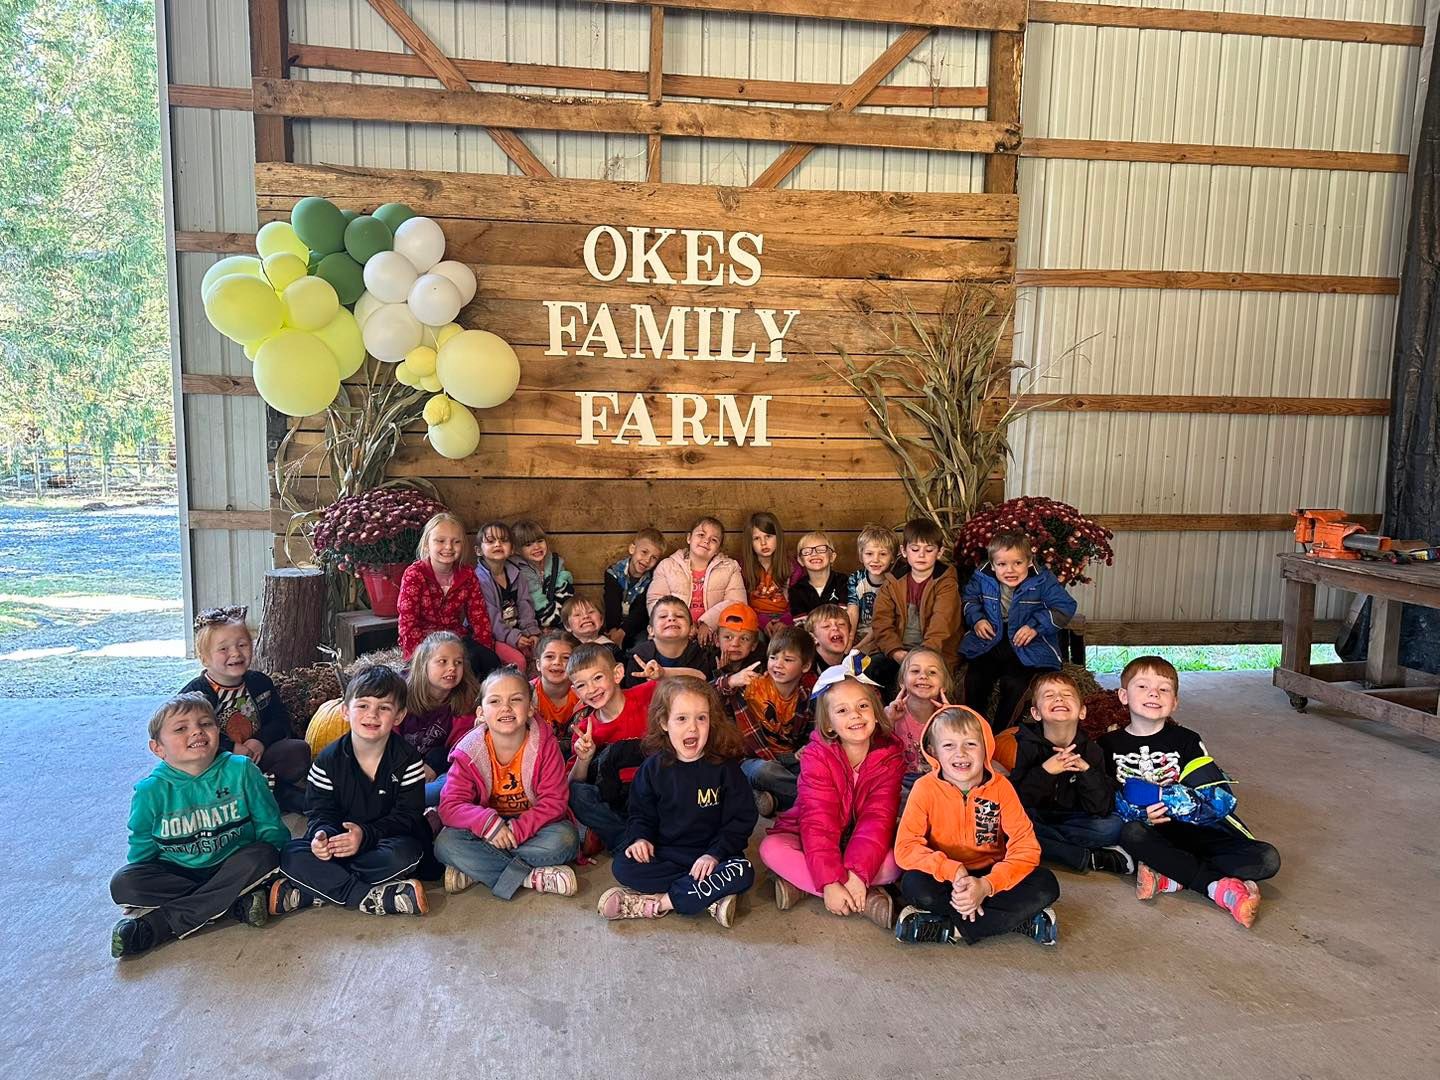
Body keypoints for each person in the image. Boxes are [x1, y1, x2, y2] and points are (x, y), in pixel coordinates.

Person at [1100, 656, 1281, 928]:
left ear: (1175, 702)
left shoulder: (1187, 740)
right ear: (1123, 696)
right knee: (1130, 834)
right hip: (1148, 831)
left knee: (1267, 859)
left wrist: (1162, 798)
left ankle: (1171, 874)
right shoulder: (1106, 745)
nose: (1154, 693)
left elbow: (1220, 800)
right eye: (1143, 687)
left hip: (1193, 829)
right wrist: (1140, 811)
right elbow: (1103, 799)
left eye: (1164, 689)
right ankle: (1213, 887)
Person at [109, 693, 288, 958]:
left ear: (217, 731)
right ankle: (236, 902)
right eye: (181, 728)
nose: (196, 732)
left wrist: (278, 863)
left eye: (205, 724)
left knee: (264, 855)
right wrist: (141, 875)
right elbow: (142, 840)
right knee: (124, 884)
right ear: (158, 748)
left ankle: (158, 927)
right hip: (181, 871)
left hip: (234, 862)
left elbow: (268, 823)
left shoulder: (241, 770)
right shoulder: (150, 790)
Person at [270, 665, 432, 918]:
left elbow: (408, 815)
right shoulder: (327, 761)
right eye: (363, 705)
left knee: (406, 855)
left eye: (384, 708)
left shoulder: (407, 759)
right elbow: (320, 811)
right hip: (340, 842)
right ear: (345, 711)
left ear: (399, 716)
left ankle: (315, 888)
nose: (372, 715)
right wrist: (322, 836)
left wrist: (364, 836)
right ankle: (366, 896)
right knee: (291, 855)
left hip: (384, 840)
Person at [894, 705, 1061, 946]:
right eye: (948, 745)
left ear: (986, 749)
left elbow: (1026, 847)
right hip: (947, 875)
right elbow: (906, 848)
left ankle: (953, 928)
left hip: (993, 872)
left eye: (971, 744)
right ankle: (1016, 920)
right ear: (933, 752)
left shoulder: (1001, 787)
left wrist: (986, 885)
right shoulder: (924, 788)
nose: (960, 753)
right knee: (914, 884)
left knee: (1046, 884)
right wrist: (953, 870)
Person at [598, 677, 757, 927]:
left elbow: (741, 821)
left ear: (711, 722)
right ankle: (707, 896)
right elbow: (640, 815)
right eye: (681, 719)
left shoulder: (726, 769)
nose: (692, 728)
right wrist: (640, 839)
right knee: (622, 867)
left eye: (701, 718)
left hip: (714, 855)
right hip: (668, 853)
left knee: (743, 870)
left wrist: (714, 855)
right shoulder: (652, 769)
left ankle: (660, 903)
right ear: (664, 722)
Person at [759, 664, 903, 929]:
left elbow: (877, 819)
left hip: (863, 840)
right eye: (842, 711)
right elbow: (817, 823)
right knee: (771, 849)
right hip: (813, 837)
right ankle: (862, 899)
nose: (855, 716)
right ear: (830, 724)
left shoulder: (890, 756)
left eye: (862, 706)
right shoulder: (817, 757)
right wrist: (830, 881)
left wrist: (858, 873)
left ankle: (807, 887)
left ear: (874, 710)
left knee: (897, 861)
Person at [435, 667, 579, 899]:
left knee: (566, 840)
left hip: (533, 827)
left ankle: (476, 869)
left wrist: (518, 830)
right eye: (495, 701)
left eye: (516, 699)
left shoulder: (544, 745)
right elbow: (450, 805)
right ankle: (531, 878)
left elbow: (555, 802)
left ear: (531, 708)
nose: (506, 708)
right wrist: (487, 824)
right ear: (481, 713)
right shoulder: (469, 751)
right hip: (487, 828)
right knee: (445, 843)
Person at [179, 606, 310, 812]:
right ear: (204, 658)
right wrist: (230, 747)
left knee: (297, 751)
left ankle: (257, 791)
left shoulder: (259, 683)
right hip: (219, 766)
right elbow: (188, 737)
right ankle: (273, 793)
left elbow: (280, 720)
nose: (235, 653)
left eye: (242, 644)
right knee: (200, 771)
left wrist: (261, 740)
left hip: (256, 756)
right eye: (223, 649)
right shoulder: (195, 696)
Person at [1007, 671, 1130, 874]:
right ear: (1036, 713)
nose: (1059, 698)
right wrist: (1046, 771)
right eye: (1049, 695)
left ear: (1082, 711)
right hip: (1035, 816)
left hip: (1075, 819)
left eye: (1067, 694)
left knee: (1112, 826)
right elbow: (1017, 800)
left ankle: (1044, 847)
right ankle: (1087, 857)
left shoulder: (1092, 750)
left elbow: (1101, 807)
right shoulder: (1025, 745)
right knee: (1009, 826)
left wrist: (1085, 771)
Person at [960, 531, 1076, 731]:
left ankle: (1001, 734)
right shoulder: (982, 577)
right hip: (991, 640)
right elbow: (969, 600)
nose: (1010, 570)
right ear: (992, 565)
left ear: (1029, 562)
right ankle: (973, 730)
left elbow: (1065, 607)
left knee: (1014, 683)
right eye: (1002, 564)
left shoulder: (1042, 580)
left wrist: (1035, 626)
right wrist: (978, 620)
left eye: (1017, 563)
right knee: (975, 679)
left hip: (1028, 642)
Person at [565, 642, 658, 854]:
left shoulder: (647, 694)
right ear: (575, 691)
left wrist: (663, 674)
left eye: (597, 678)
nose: (591, 689)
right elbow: (574, 784)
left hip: (656, 789)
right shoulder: (583, 729)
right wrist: (584, 758)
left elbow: (696, 681)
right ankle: (628, 842)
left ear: (617, 673)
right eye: (581, 685)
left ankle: (635, 839)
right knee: (576, 792)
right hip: (617, 799)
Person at [395, 511, 501, 678]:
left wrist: (484, 649)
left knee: (489, 662)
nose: (448, 547)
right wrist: (417, 657)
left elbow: (479, 618)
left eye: (456, 542)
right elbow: (408, 622)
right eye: (440, 541)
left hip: (455, 638)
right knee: (430, 674)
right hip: (425, 641)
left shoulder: (467, 575)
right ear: (426, 545)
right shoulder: (415, 574)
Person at [726, 624, 816, 818]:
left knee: (817, 768)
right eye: (773, 658)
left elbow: (814, 732)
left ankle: (772, 799)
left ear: (806, 666)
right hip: (753, 760)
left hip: (789, 758)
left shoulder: (806, 696)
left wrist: (808, 747)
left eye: (788, 659)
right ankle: (815, 803)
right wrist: (731, 681)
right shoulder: (753, 686)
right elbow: (707, 694)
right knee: (764, 772)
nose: (778, 664)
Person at [868, 519, 962, 676]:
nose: (922, 555)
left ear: (939, 552)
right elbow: (881, 621)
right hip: (899, 650)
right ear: (904, 551)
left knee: (926, 681)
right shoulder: (892, 582)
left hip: (935, 652)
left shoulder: (946, 583)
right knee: (874, 672)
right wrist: (895, 651)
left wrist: (922, 657)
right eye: (915, 549)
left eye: (929, 550)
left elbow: (942, 623)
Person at [401, 631, 478, 807]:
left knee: (449, 787)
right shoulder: (400, 693)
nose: (452, 668)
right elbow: (385, 737)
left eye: (458, 662)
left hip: (437, 771)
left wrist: (434, 765)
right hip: (397, 767)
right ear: (424, 664)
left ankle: (409, 804)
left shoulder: (466, 703)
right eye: (442, 661)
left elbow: (460, 749)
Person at [647, 516, 745, 645]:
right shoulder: (667, 566)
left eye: (713, 540)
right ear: (689, 538)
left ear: (718, 549)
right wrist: (683, 625)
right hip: (673, 633)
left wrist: (707, 623)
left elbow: (737, 603)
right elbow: (655, 600)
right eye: (701, 535)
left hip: (714, 635)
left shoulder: (730, 568)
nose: (706, 541)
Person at [884, 646, 954, 799]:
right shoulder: (891, 713)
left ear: (944, 685)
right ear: (902, 682)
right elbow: (875, 748)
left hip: (939, 779)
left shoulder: (952, 716)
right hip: (902, 779)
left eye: (932, 672)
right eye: (915, 671)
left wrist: (951, 722)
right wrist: (889, 721)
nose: (923, 676)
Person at [474, 520, 540, 668]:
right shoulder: (479, 580)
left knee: (539, 653)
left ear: (511, 550)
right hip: (491, 637)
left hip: (517, 632)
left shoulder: (516, 574)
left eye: (503, 541)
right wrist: (514, 638)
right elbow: (491, 618)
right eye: (490, 541)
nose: (497, 544)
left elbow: (525, 604)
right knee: (519, 661)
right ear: (479, 551)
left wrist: (530, 632)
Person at [627, 595, 714, 683]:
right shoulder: (638, 657)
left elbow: (705, 683)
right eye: (663, 616)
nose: (671, 618)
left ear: (691, 629)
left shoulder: (703, 655)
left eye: (679, 616)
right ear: (651, 630)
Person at [603, 527, 664, 650]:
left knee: (642, 646)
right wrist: (614, 632)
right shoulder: (613, 573)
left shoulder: (653, 579)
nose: (647, 560)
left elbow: (641, 612)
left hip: (638, 627)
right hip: (613, 625)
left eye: (654, 558)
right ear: (632, 549)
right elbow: (611, 604)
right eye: (644, 552)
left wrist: (622, 632)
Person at [512, 518, 575, 630]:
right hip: (533, 622)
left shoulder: (556, 562)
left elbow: (565, 592)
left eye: (540, 541)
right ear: (517, 550)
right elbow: (537, 601)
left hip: (561, 618)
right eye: (528, 544)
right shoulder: (519, 570)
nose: (536, 547)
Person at [848, 524, 898, 652]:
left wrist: (859, 647)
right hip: (859, 632)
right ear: (861, 556)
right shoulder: (856, 578)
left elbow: (884, 622)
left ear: (892, 558)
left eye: (883, 554)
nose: (875, 560)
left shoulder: (894, 582)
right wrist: (850, 639)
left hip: (884, 632)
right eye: (869, 554)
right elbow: (853, 611)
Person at [531, 629, 580, 751]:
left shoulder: (584, 694)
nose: (557, 662)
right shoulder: (526, 694)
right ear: (538, 664)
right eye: (549, 656)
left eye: (566, 658)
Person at [742, 511, 791, 628]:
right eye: (756, 538)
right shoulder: (743, 568)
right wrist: (763, 622)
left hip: (786, 619)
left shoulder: (792, 567)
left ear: (778, 537)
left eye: (768, 536)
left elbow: (799, 602)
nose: (763, 543)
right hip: (756, 619)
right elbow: (743, 602)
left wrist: (785, 621)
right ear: (750, 543)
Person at [788, 530, 845, 623]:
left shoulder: (843, 582)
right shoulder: (796, 590)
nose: (814, 554)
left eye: (821, 550)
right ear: (800, 560)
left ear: (832, 556)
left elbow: (845, 617)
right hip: (809, 636)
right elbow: (801, 624)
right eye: (807, 551)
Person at [711, 602, 767, 695]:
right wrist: (721, 674)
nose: (735, 644)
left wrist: (727, 675)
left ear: (753, 644)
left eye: (744, 639)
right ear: (717, 640)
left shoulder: (761, 667)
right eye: (728, 637)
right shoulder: (707, 661)